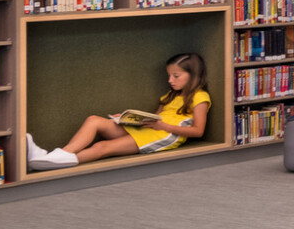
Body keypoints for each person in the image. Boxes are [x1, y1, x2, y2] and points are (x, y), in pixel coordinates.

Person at [27, 52, 211, 169]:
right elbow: (154, 117)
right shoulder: (170, 95)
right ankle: (59, 155)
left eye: (176, 76)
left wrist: (163, 126)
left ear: (192, 76)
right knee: (94, 120)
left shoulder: (200, 97)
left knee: (102, 147)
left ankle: (51, 163)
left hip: (163, 136)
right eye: (169, 76)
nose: (170, 80)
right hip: (152, 129)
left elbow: (198, 131)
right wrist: (128, 119)